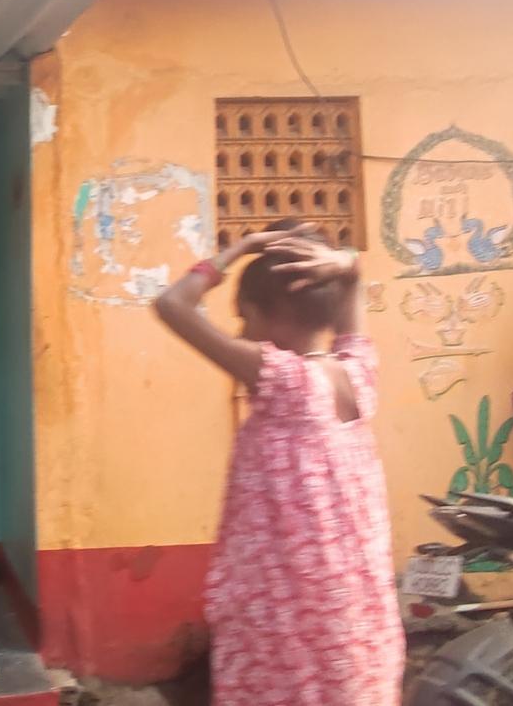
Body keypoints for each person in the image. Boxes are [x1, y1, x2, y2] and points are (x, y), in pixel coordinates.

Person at [153, 222, 404, 706]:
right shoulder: (358, 372)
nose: (242, 333)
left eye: (244, 317)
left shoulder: (282, 378)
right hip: (353, 609)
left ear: (265, 314)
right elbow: (354, 285)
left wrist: (239, 249)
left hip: (288, 612)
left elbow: (171, 305)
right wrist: (348, 264)